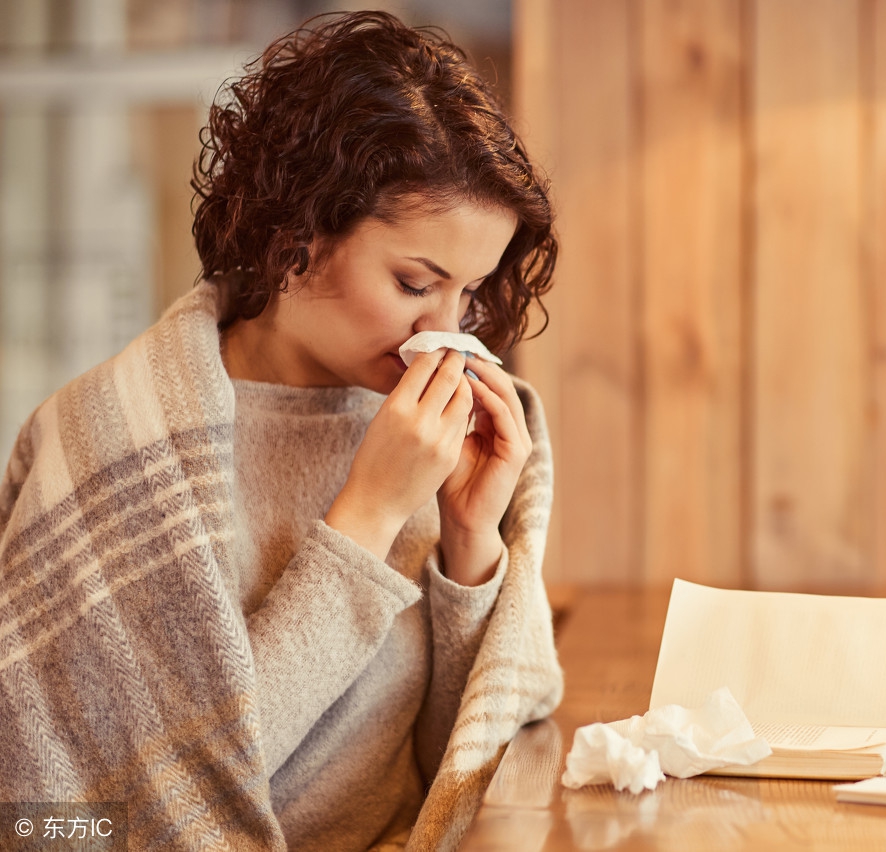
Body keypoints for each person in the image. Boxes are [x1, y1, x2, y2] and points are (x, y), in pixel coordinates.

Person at [0, 11, 562, 851]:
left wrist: (469, 542)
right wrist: (365, 517)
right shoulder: (104, 444)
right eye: (416, 283)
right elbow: (153, 798)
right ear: (295, 236)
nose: (446, 334)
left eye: (469, 295)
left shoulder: (435, 434)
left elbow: (460, 764)